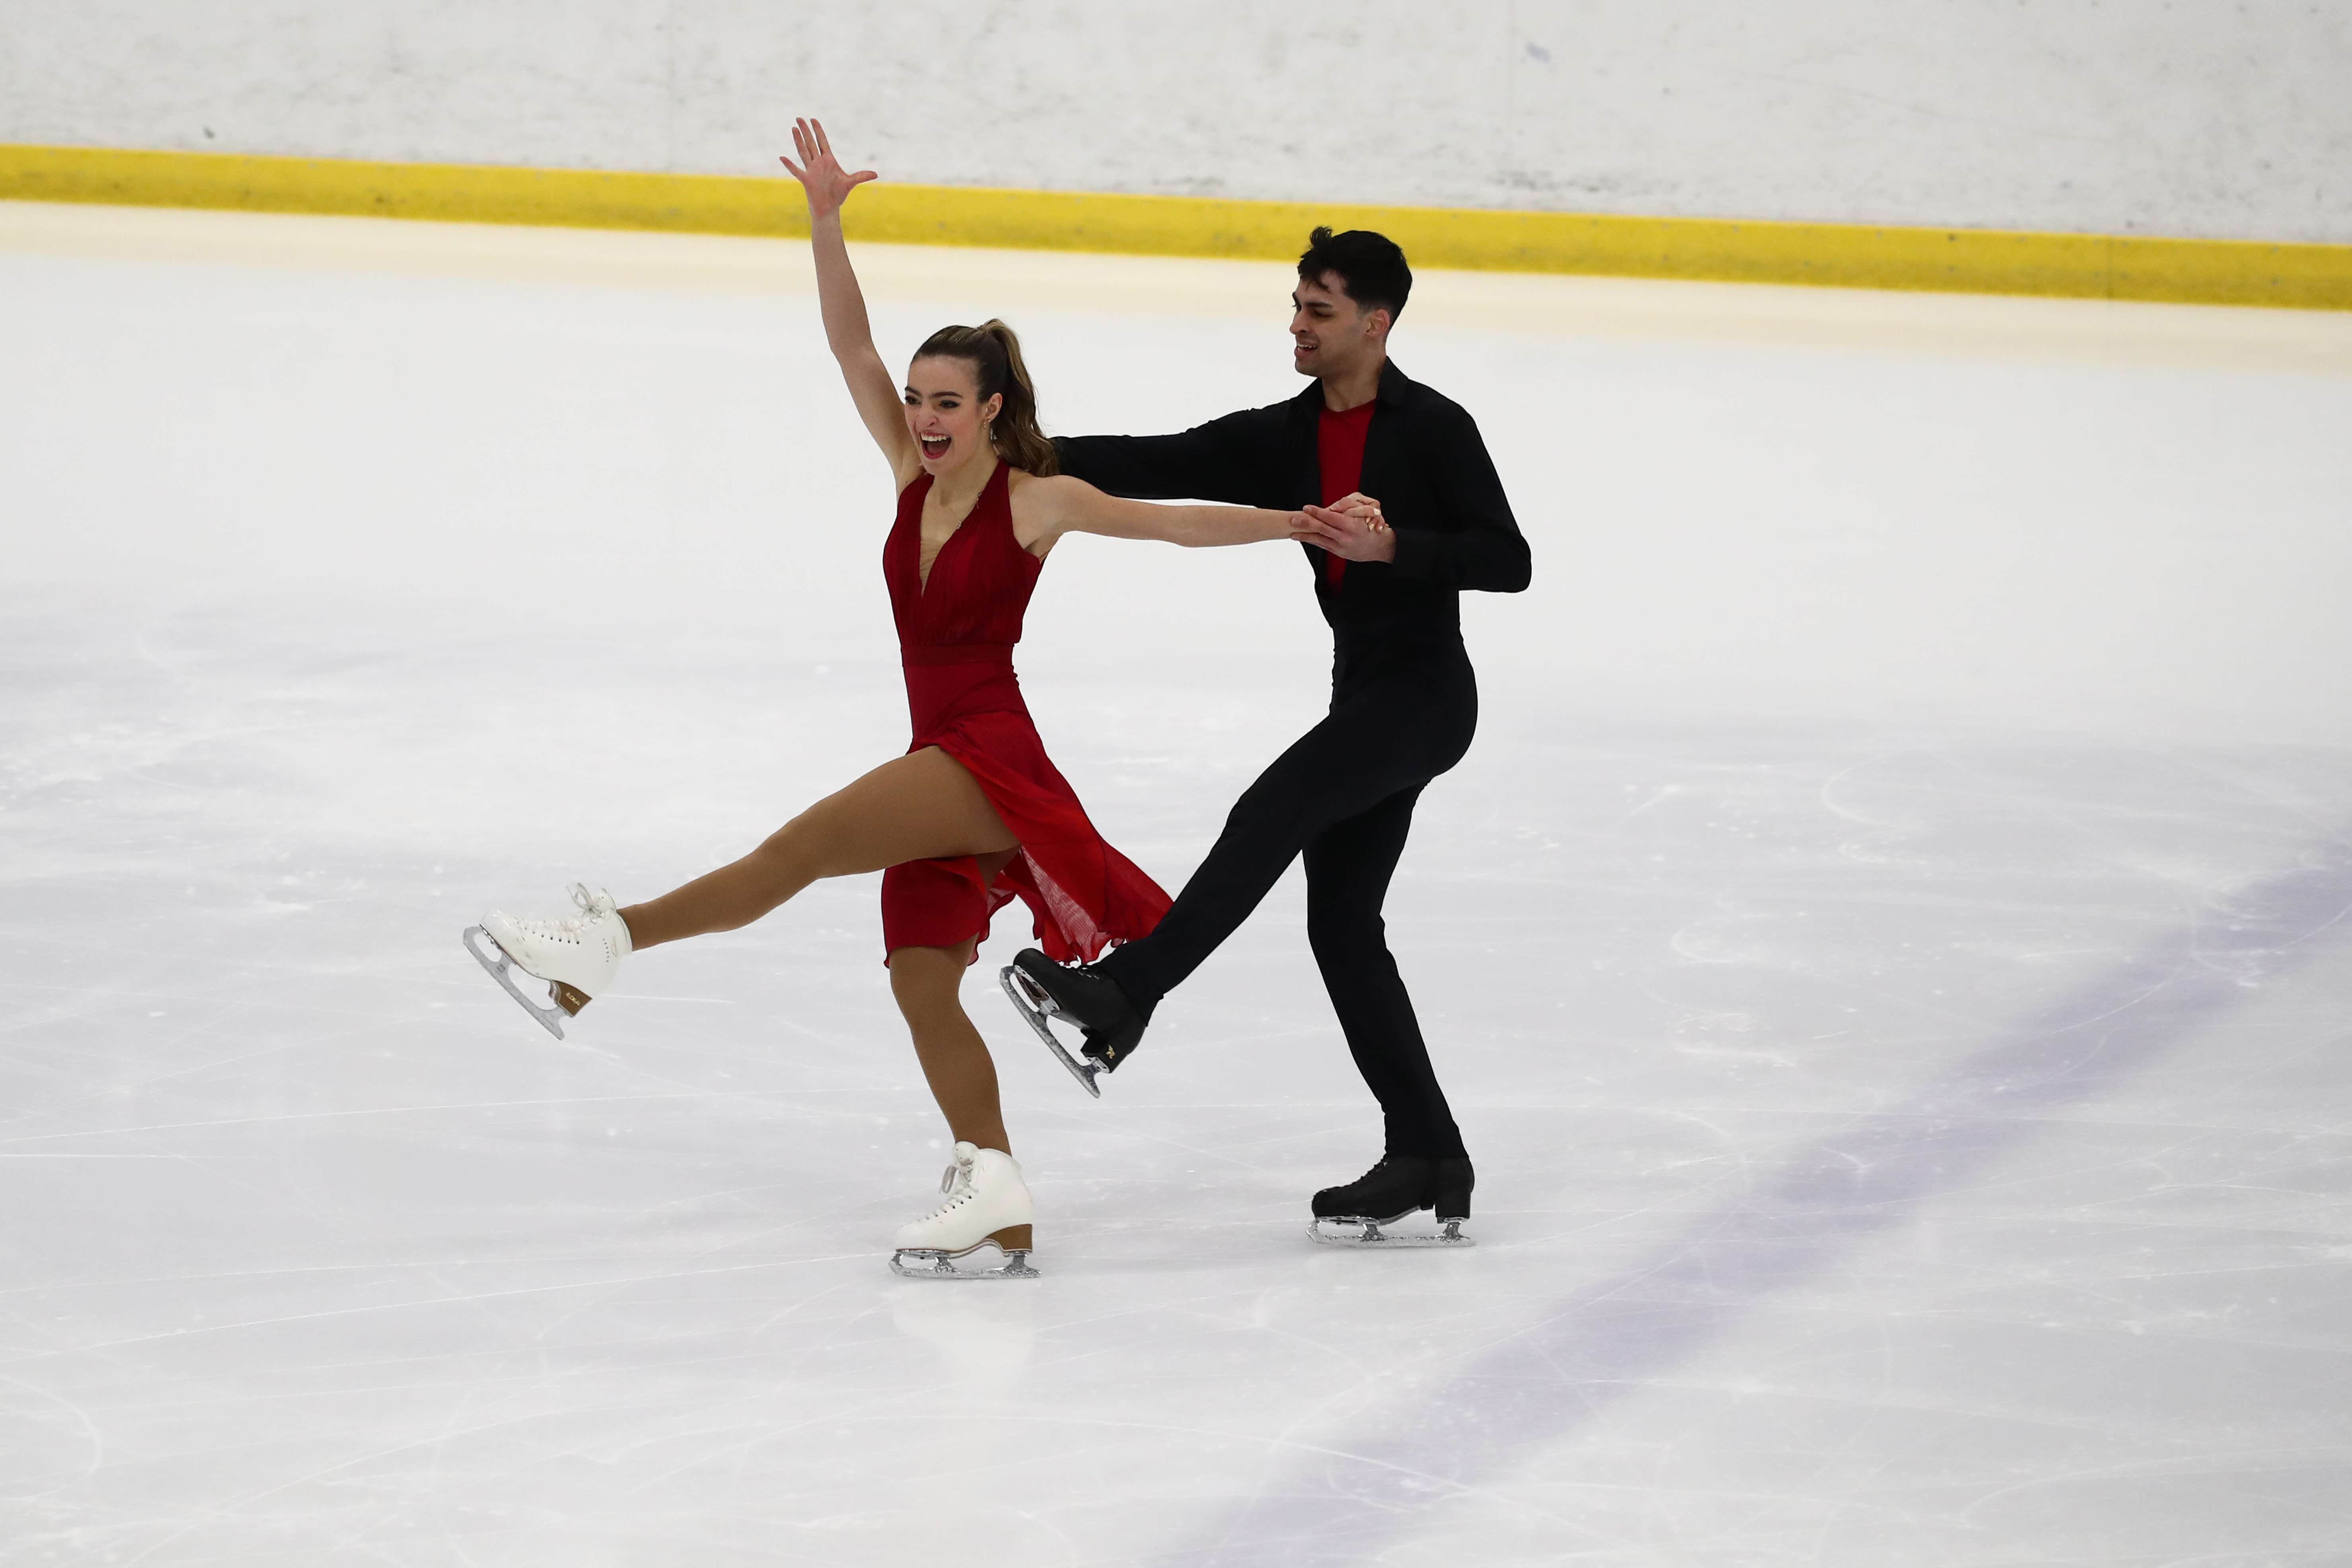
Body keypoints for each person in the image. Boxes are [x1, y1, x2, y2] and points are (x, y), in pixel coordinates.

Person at [463, 120, 1354, 1279]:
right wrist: (826, 222)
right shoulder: (905, 468)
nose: (927, 417)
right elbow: (849, 346)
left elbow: (1170, 520)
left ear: (992, 409)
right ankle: (992, 1182)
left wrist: (1290, 520)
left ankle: (604, 939)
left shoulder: (1037, 498)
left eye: (949, 402)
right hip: (937, 745)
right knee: (921, 979)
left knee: (803, 845)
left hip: (986, 757)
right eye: (921, 399)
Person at [1004, 226, 1532, 1246]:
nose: (1296, 325)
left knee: (1270, 811)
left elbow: (1507, 559)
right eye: (1296, 305)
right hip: (1364, 702)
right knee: (1341, 926)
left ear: (1375, 325)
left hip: (1422, 700)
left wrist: (1395, 547)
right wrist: (1012, 454)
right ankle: (1428, 1150)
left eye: (1319, 311)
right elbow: (1164, 460)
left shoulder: (1433, 428)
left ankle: (1125, 996)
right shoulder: (1289, 435)